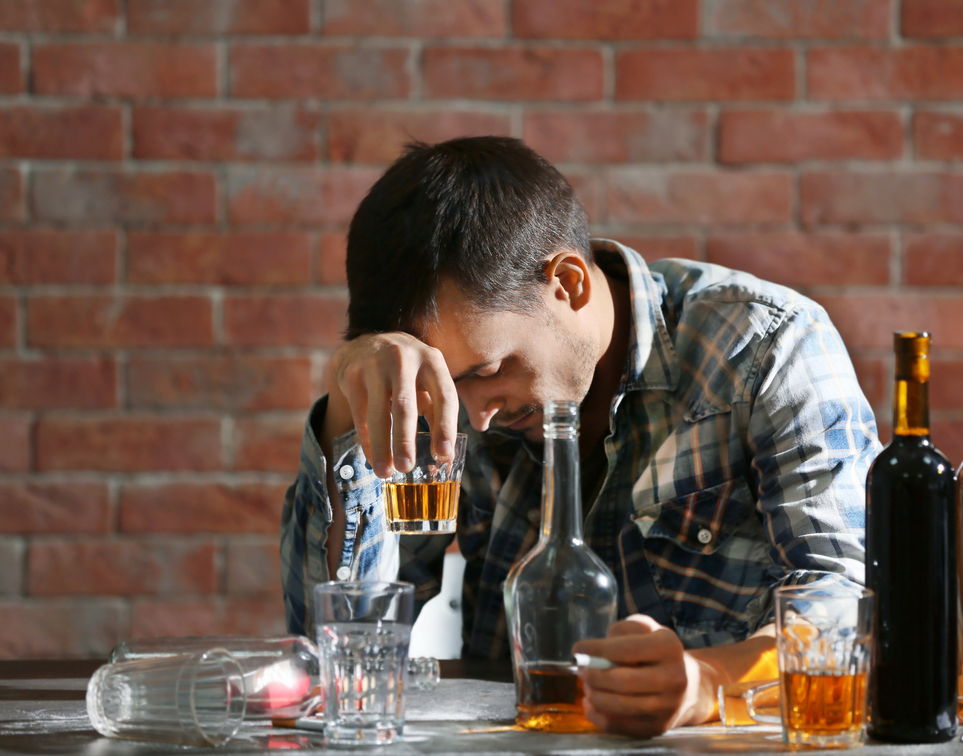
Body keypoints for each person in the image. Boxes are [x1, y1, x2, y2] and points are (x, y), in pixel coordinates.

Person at [280, 136, 881, 737]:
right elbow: (338, 649)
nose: (476, 417)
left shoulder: (765, 346)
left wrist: (706, 684)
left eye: (490, 372)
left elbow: (846, 599)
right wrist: (346, 416)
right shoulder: (440, 392)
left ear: (568, 284)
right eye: (453, 389)